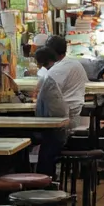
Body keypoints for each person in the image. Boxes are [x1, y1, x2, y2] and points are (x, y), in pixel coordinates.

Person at [31, 46, 71, 176]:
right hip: (62, 125)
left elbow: (38, 91)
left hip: (58, 129)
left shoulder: (49, 76)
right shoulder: (54, 72)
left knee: (35, 139)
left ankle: (40, 182)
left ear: (41, 63)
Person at [46, 35, 90, 133]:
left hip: (65, 112)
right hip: (76, 109)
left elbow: (48, 93)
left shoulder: (57, 69)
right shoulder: (76, 64)